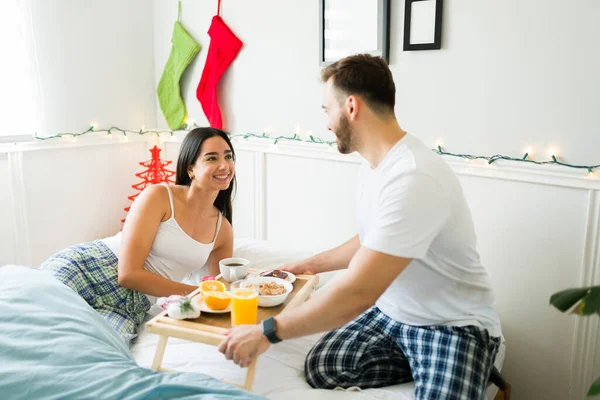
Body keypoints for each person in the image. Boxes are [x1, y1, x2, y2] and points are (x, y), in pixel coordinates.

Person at [217, 54, 502, 399]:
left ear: (350, 107)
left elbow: (357, 293)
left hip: (450, 327)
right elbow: (372, 240)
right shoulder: (374, 166)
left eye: (326, 109)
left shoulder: (413, 176)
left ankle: (467, 360)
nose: (326, 123)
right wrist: (307, 266)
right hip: (393, 315)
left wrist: (266, 332)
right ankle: (421, 363)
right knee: (324, 368)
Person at [40, 127, 236, 344]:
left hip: (131, 306)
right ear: (191, 169)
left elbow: (220, 292)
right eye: (212, 158)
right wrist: (194, 292)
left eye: (228, 156)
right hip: (90, 267)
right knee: (32, 317)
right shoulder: (160, 196)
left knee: (93, 354)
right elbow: (128, 274)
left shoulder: (223, 231)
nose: (224, 165)